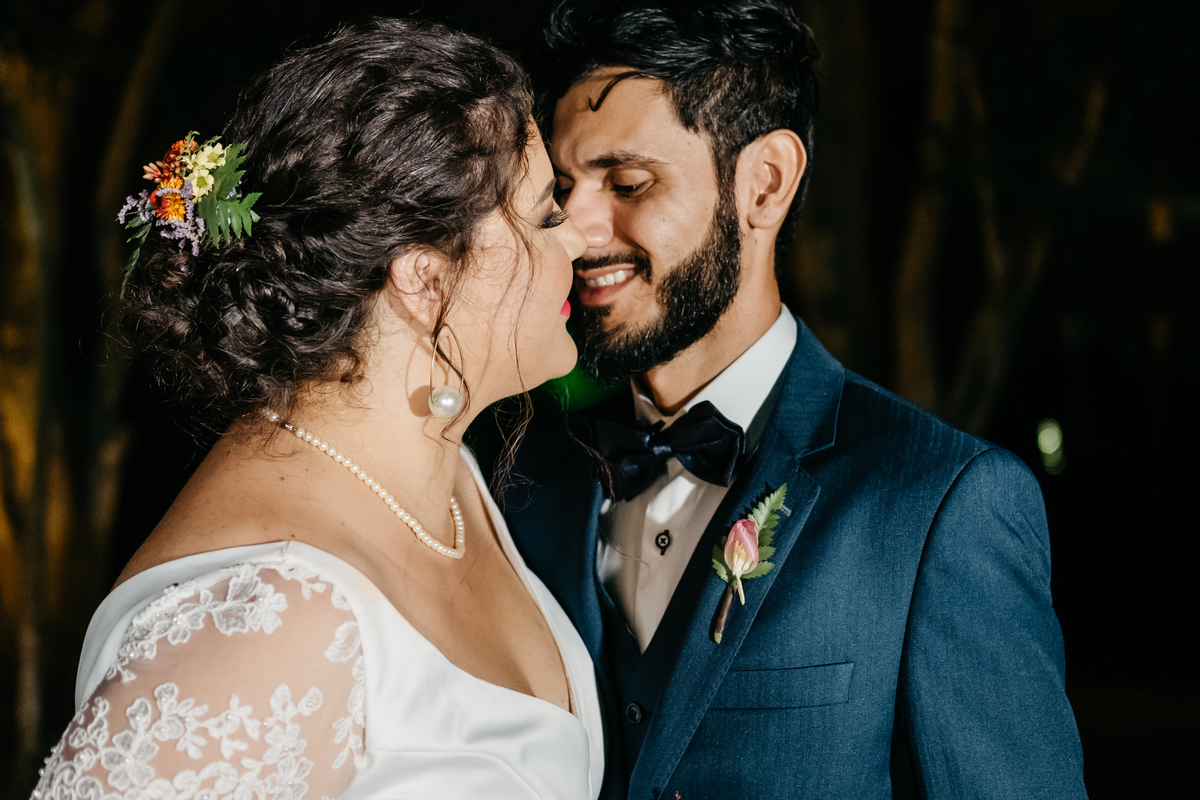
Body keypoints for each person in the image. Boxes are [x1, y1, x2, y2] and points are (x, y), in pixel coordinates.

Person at [503, 1, 1089, 797]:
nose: (574, 227)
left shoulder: (939, 505)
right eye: (564, 188)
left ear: (764, 185)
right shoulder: (523, 481)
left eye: (628, 181)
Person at [31, 18, 604, 799]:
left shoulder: (445, 473)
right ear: (425, 281)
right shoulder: (269, 612)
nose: (577, 241)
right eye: (544, 216)